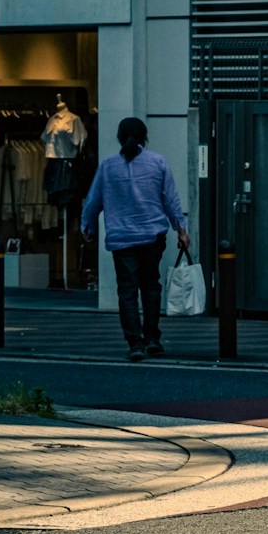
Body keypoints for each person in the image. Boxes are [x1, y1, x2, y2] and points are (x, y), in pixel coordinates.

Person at [80, 117, 190, 362]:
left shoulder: (108, 166)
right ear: (144, 137)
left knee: (127, 291)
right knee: (151, 286)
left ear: (119, 137)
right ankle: (152, 338)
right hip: (152, 237)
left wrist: (87, 227)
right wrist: (181, 229)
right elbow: (171, 200)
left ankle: (135, 343)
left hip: (122, 238)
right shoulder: (158, 162)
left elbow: (92, 202)